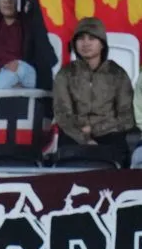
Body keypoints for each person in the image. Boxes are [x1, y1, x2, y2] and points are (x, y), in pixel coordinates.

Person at [53, 17, 135, 158]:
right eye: (81, 39)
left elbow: (127, 117)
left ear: (102, 44)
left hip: (109, 132)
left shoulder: (117, 74)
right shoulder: (65, 74)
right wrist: (84, 139)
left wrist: (94, 129)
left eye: (92, 38)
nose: (86, 43)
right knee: (67, 151)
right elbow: (63, 115)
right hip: (75, 134)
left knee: (116, 151)